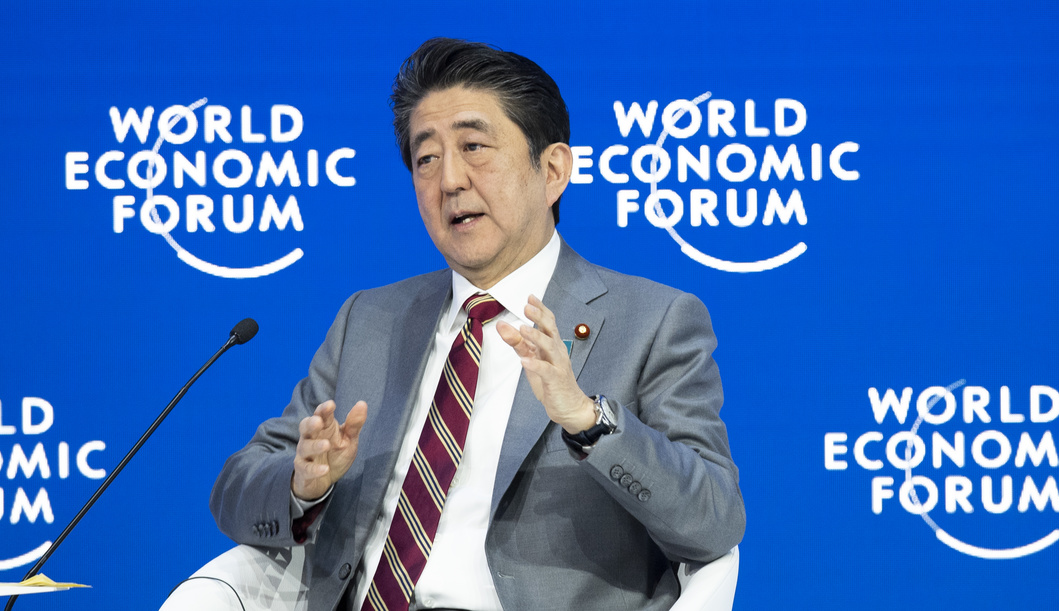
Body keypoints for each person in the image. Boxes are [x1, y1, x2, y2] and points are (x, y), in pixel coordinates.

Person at [210, 38, 744, 611]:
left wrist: (589, 423)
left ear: (553, 170)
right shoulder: (371, 318)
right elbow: (234, 494)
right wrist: (301, 485)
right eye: (426, 158)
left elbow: (713, 520)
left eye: (474, 146)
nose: (450, 182)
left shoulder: (654, 320)